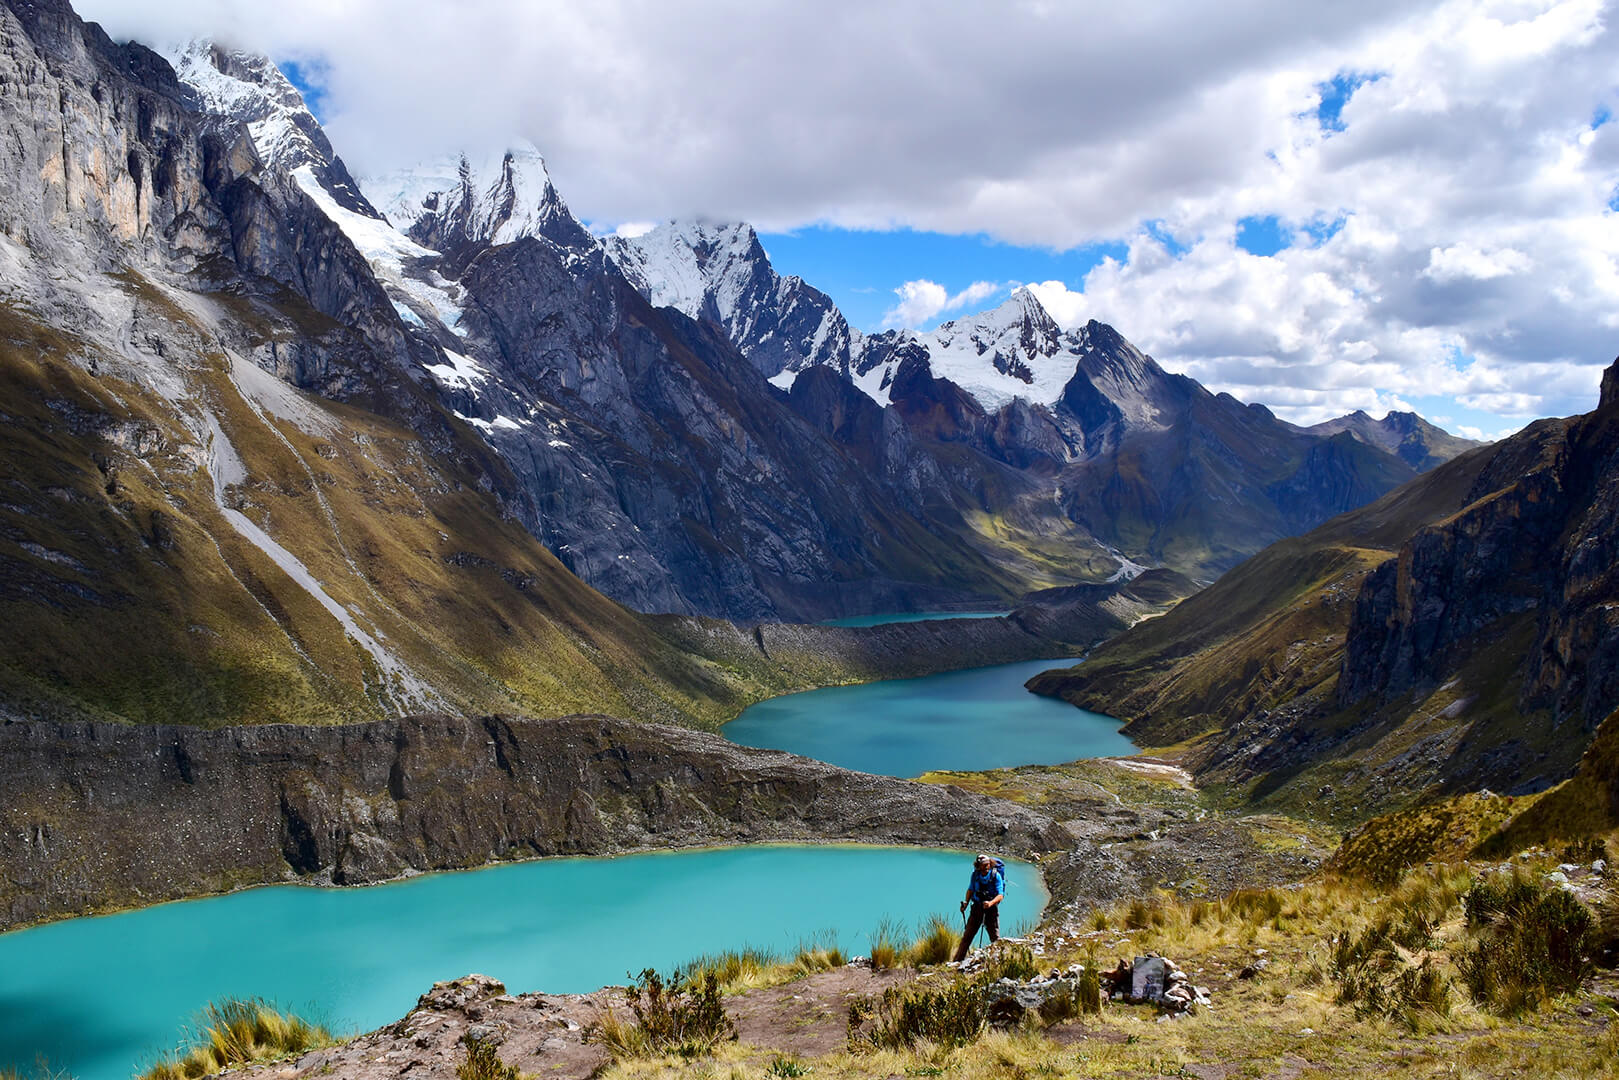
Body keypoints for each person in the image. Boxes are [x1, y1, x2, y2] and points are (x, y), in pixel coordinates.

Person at [953, 853, 1004, 962]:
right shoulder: (975, 875)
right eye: (982, 865)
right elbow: (970, 890)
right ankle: (957, 961)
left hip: (991, 911)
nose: (985, 867)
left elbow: (1000, 895)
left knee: (994, 938)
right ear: (978, 865)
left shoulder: (996, 876)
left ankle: (999, 960)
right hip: (976, 909)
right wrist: (966, 903)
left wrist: (990, 903)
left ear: (990, 864)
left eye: (987, 864)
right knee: (967, 937)